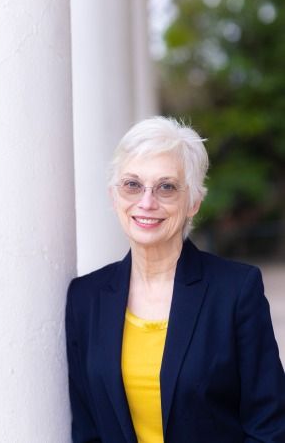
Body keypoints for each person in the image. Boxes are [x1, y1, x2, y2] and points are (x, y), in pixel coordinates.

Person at [65, 116, 285, 443]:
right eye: (132, 185)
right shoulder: (85, 297)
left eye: (166, 187)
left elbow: (269, 428)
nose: (147, 202)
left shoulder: (236, 291)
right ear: (114, 197)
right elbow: (87, 430)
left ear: (193, 202)